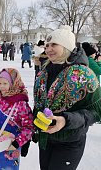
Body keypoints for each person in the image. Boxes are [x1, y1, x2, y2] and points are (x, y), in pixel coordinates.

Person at [33, 25, 101, 170]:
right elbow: (40, 105)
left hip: (70, 142)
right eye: (47, 45)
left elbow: (97, 112)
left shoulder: (85, 75)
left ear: (66, 46)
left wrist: (66, 120)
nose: (48, 49)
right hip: (46, 140)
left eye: (54, 44)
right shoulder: (43, 73)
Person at [0, 68, 34, 170]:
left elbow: (29, 128)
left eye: (5, 83)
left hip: (10, 148)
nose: (1, 87)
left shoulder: (20, 104)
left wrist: (16, 143)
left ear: (13, 83)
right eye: (0, 83)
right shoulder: (0, 98)